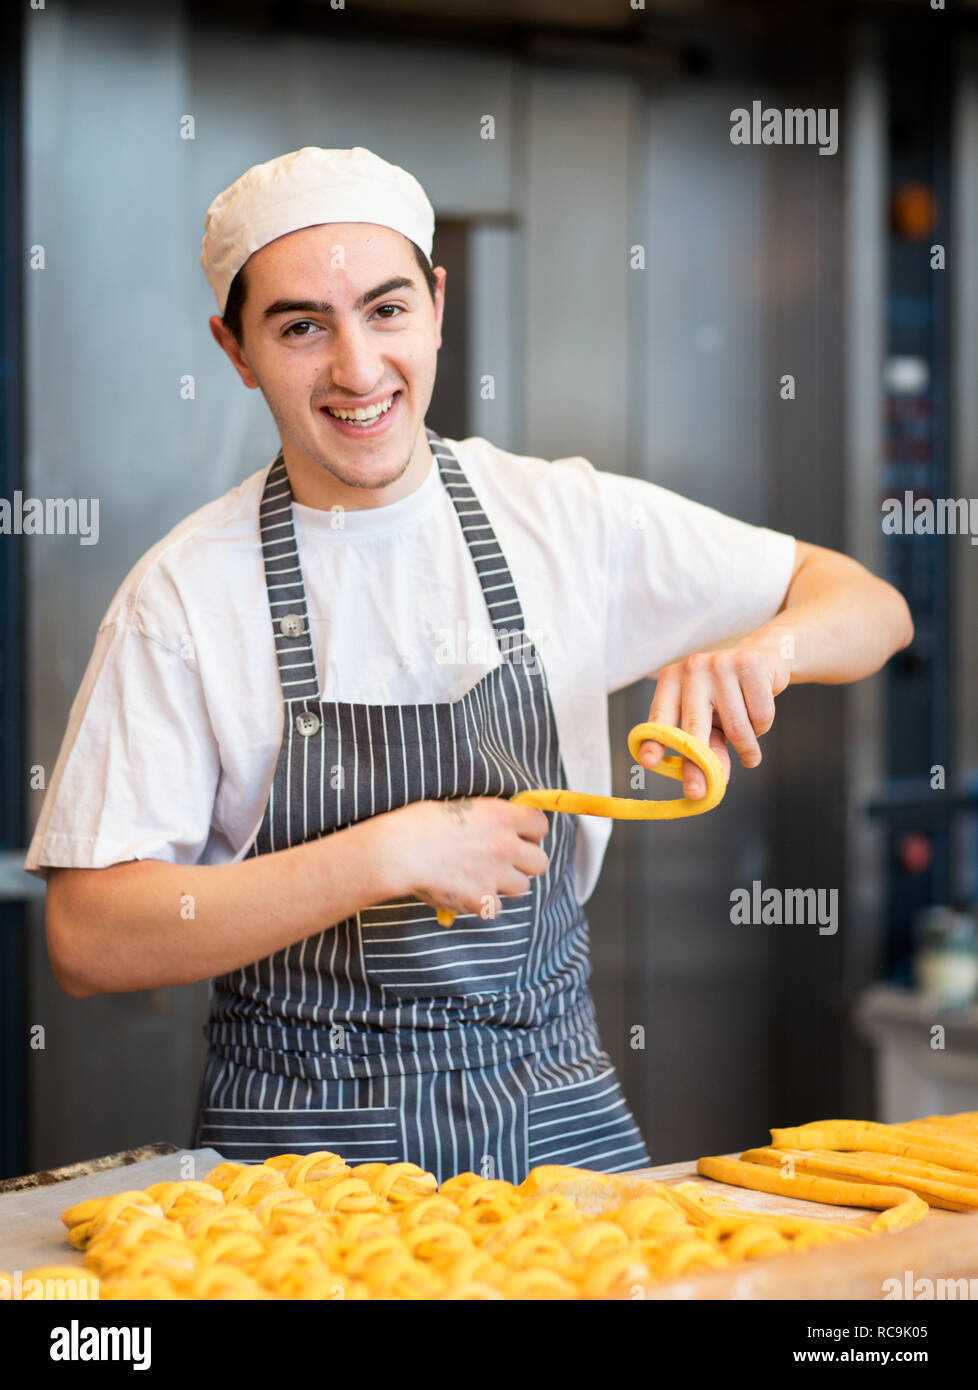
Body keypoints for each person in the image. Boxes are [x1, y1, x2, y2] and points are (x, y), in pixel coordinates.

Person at [29, 146, 913, 1182]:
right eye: (302, 326)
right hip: (304, 1157)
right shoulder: (184, 593)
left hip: (557, 1119)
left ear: (438, 305)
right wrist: (384, 856)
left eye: (388, 310)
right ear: (234, 348)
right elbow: (90, 938)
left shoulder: (563, 519)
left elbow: (870, 604)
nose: (358, 369)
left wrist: (770, 648)